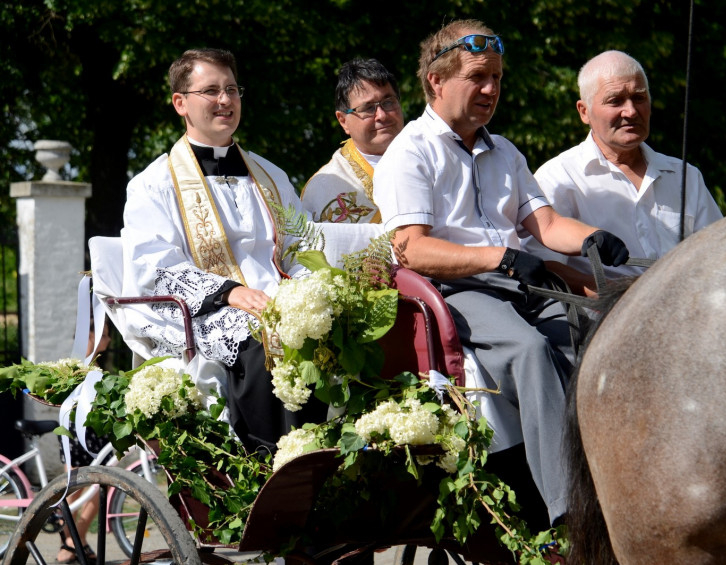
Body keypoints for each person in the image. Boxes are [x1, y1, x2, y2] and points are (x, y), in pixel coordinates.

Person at [372, 20, 629, 530]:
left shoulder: (505, 151)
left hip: (518, 282)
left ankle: (621, 482)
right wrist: (500, 258)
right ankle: (569, 515)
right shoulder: (410, 151)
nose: (491, 89)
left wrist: (594, 238)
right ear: (436, 81)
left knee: (601, 337)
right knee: (530, 352)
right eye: (477, 76)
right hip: (454, 291)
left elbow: (547, 225)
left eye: (496, 77)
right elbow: (411, 248)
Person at [120, 48, 325, 455]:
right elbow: (154, 265)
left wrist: (304, 295)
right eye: (211, 90)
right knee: (260, 342)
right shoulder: (154, 184)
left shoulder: (271, 177)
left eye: (231, 89)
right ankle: (268, 460)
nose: (225, 100)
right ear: (180, 103)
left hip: (276, 302)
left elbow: (303, 246)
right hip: (204, 311)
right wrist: (229, 293)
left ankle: (322, 457)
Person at [528, 50, 723, 294]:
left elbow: (720, 252)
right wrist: (611, 295)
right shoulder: (559, 177)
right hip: (606, 314)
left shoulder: (685, 176)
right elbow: (543, 265)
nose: (630, 111)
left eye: (639, 98)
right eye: (615, 101)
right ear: (584, 112)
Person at [301, 58, 404, 223]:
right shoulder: (323, 189)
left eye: (388, 102)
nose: (382, 115)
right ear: (343, 121)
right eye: (368, 108)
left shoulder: (434, 156)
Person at [55, 319, 111, 564]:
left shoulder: (90, 364)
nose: (108, 339)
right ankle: (72, 541)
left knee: (93, 485)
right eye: (104, 334)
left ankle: (74, 540)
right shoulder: (80, 366)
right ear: (91, 336)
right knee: (81, 485)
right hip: (80, 430)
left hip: (90, 430)